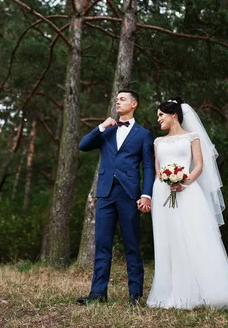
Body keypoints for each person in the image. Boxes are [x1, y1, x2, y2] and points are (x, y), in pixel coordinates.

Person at [146, 97, 228, 309]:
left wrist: (184, 181)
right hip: (163, 193)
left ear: (173, 115)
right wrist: (165, 180)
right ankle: (171, 291)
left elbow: (199, 165)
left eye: (161, 115)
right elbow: (157, 170)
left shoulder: (192, 137)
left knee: (194, 236)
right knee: (168, 239)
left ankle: (205, 290)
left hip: (188, 191)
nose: (158, 119)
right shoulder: (158, 142)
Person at [77, 89, 155, 306]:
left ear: (134, 104)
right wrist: (102, 126)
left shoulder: (144, 134)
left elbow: (148, 167)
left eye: (122, 99)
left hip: (129, 194)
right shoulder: (107, 131)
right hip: (105, 193)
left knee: (132, 244)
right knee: (102, 244)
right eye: (117, 99)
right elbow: (83, 146)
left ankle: (135, 295)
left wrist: (146, 194)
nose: (117, 102)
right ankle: (98, 293)